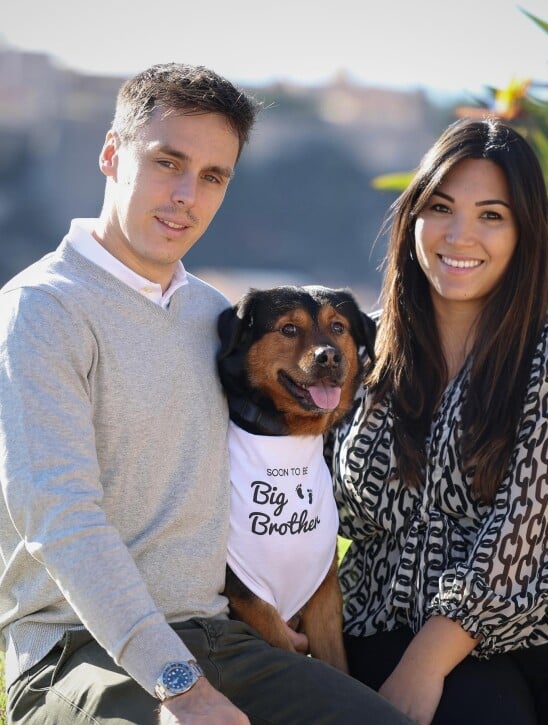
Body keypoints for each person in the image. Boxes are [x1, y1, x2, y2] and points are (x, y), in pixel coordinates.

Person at [0, 63, 412, 725]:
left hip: (226, 637)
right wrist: (181, 686)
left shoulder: (217, 318)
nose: (186, 195)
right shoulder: (41, 312)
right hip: (78, 650)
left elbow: (270, 478)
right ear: (111, 153)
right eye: (168, 162)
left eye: (213, 176)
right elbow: (63, 521)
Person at [329, 116, 548, 725]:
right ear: (413, 216)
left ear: (524, 233)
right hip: (370, 626)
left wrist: (422, 668)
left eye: (491, 215)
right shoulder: (355, 348)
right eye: (441, 207)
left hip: (530, 638)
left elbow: (522, 540)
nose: (460, 234)